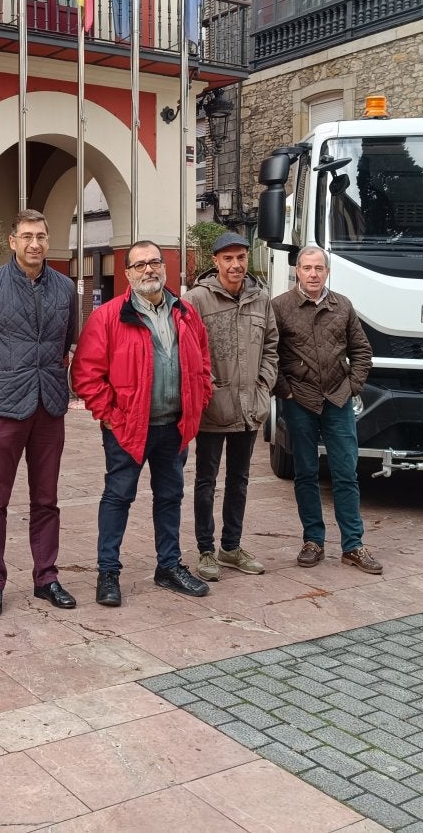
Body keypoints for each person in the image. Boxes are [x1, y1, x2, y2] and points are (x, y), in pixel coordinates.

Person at [71, 240, 214, 606]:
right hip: (127, 429)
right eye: (139, 265)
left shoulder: (185, 313)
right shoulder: (108, 317)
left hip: (174, 428)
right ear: (127, 273)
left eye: (154, 262)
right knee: (118, 497)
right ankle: (108, 573)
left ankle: (168, 566)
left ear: (164, 268)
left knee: (170, 497)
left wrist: (198, 402)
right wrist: (112, 416)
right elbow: (86, 375)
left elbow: (202, 367)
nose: (148, 269)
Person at [0, 208, 78, 618]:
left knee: (47, 499)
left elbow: (67, 341)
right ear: (13, 241)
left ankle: (46, 577)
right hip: (3, 408)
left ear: (48, 240)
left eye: (41, 236)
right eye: (26, 236)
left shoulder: (65, 289)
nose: (35, 244)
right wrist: (2, 377)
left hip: (49, 407)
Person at [270, 246, 381, 574]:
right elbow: (269, 354)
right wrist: (285, 390)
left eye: (319, 268)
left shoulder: (341, 305)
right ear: (297, 272)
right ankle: (313, 541)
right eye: (307, 268)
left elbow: (362, 350)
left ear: (327, 271)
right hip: (299, 401)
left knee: (346, 473)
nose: (313, 274)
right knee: (305, 473)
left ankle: (353, 545)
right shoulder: (280, 307)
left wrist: (352, 386)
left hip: (337, 400)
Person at [181, 232, 279, 583]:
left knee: (239, 480)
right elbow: (186, 352)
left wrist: (263, 385)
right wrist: (203, 392)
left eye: (241, 257)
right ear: (215, 261)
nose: (235, 265)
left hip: (249, 408)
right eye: (228, 259)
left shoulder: (261, 300)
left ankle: (231, 547)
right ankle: (206, 549)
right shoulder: (195, 300)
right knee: (206, 480)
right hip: (212, 410)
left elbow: (271, 346)